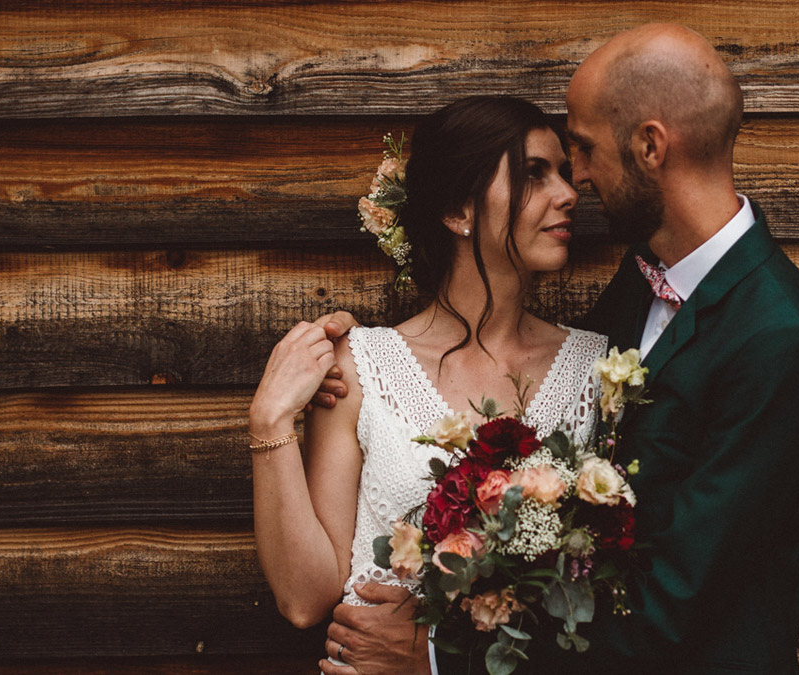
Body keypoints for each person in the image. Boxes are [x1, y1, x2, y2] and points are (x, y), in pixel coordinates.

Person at [317, 23, 799, 675]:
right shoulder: (638, 285)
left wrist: (437, 654)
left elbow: (674, 607)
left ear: (651, 145)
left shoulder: (781, 341)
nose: (581, 181)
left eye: (586, 151)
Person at [246, 96, 607, 671]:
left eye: (564, 172)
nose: (568, 193)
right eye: (534, 175)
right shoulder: (362, 364)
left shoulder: (600, 370)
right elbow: (303, 598)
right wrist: (268, 421)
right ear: (457, 209)